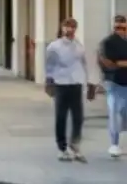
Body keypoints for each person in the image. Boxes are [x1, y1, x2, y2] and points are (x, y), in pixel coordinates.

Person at [47, 19, 93, 163]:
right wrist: (49, 82)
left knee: (78, 117)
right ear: (62, 28)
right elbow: (49, 65)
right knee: (61, 117)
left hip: (76, 83)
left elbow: (84, 63)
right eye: (67, 27)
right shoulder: (54, 46)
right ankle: (62, 148)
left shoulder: (79, 45)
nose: (70, 30)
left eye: (73, 27)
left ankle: (75, 143)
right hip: (61, 84)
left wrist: (89, 81)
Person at [99, 15, 127, 160]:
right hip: (114, 82)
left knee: (125, 113)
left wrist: (120, 63)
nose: (120, 31)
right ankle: (114, 143)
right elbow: (108, 62)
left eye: (123, 28)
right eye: (117, 28)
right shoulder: (108, 42)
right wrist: (119, 64)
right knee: (115, 111)